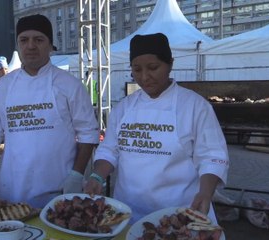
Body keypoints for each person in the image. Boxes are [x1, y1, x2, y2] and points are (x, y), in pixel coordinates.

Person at [84, 33, 229, 224]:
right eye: (136, 70)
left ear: (170, 64)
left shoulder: (194, 106)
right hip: (126, 214)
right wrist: (96, 176)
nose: (144, 77)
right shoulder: (124, 107)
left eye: (153, 68)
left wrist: (205, 192)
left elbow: (212, 156)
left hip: (180, 215)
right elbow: (110, 150)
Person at [0, 14, 99, 208]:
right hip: (11, 189)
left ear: (50, 46)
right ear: (18, 45)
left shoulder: (70, 85)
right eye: (24, 40)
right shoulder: (3, 87)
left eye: (38, 39)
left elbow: (88, 134)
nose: (31, 46)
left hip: (58, 189)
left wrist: (77, 175)